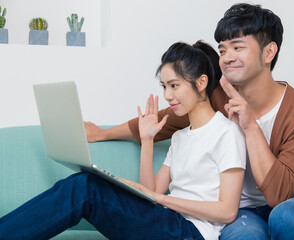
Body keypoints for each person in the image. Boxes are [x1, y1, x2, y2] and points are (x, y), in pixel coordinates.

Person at [85, 3, 294, 240]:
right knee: (244, 234)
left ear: (269, 52)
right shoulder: (217, 95)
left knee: (285, 216)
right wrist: (101, 134)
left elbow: (279, 196)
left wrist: (250, 126)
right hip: (243, 211)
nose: (227, 57)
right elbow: (166, 119)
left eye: (237, 47)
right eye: (222, 49)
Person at [0, 41, 247, 240]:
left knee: (85, 189)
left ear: (201, 83)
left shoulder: (227, 133)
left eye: (174, 85)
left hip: (190, 232)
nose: (167, 95)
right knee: (83, 182)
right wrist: (147, 140)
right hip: (165, 221)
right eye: (164, 86)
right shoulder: (181, 137)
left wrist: (162, 200)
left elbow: (227, 211)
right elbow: (151, 192)